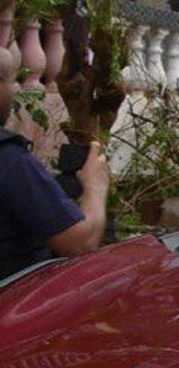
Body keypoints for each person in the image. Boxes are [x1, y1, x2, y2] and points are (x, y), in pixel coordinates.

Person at [0, 41, 108, 279]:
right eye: (10, 81)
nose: (14, 90)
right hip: (18, 305)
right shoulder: (9, 160)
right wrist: (95, 187)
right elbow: (81, 242)